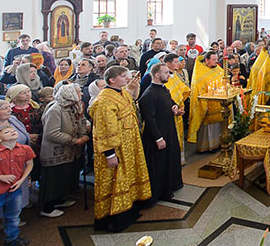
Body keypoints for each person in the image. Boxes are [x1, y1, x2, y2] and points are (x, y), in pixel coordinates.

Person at [89, 66, 150, 232]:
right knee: (116, 179)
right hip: (116, 148)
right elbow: (104, 129)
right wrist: (109, 154)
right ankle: (114, 218)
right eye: (123, 76)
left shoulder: (121, 92)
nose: (127, 79)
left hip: (129, 144)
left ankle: (129, 208)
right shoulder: (104, 101)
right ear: (112, 80)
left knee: (128, 176)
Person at [39, 83, 88, 218]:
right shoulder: (55, 109)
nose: (81, 94)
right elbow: (52, 133)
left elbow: (81, 121)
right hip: (55, 151)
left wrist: (83, 132)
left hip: (68, 151)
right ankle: (47, 208)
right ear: (69, 94)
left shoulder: (73, 106)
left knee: (62, 178)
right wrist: (75, 141)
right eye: (78, 91)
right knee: (52, 180)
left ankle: (58, 200)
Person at [138, 63, 183, 203]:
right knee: (159, 165)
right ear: (157, 75)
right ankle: (160, 192)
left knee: (170, 159)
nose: (169, 75)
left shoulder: (163, 89)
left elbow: (170, 102)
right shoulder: (148, 95)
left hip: (168, 129)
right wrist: (158, 138)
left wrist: (174, 106)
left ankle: (171, 185)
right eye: (166, 73)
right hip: (157, 135)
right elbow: (149, 120)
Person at [0, 125, 34, 246]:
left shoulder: (25, 149)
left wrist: (22, 179)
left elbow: (29, 164)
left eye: (13, 131)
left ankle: (12, 238)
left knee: (13, 215)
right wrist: (1, 177)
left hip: (15, 190)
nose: (12, 132)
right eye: (7, 132)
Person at [187, 51, 226, 152]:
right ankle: (207, 147)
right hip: (207, 103)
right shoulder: (200, 72)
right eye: (213, 59)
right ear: (206, 60)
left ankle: (218, 143)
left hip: (219, 102)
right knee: (208, 128)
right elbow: (198, 90)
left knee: (218, 126)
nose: (216, 61)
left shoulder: (219, 69)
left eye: (216, 59)